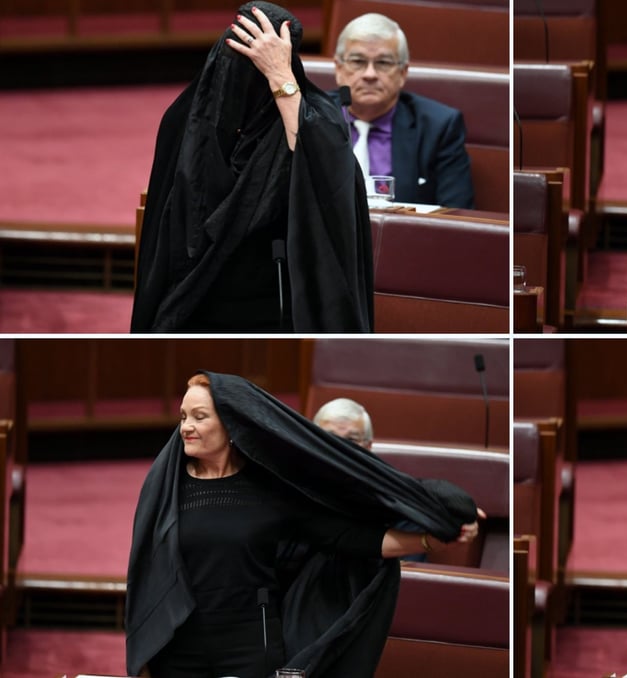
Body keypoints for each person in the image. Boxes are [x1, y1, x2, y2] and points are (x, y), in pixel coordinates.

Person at [126, 372, 483, 677]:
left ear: (232, 423)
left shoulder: (272, 488)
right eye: (183, 416)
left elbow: (352, 538)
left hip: (249, 649)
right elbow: (147, 573)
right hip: (178, 649)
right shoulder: (166, 488)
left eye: (199, 416)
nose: (186, 427)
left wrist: (428, 538)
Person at [132, 2, 374, 333]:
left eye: (261, 67)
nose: (246, 83)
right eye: (239, 62)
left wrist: (279, 76)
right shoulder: (186, 118)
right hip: (192, 305)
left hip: (276, 311)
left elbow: (320, 174)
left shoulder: (317, 120)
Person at [331, 12, 475, 209]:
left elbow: (457, 213)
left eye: (383, 63)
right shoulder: (309, 117)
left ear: (403, 73)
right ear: (338, 69)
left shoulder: (439, 127)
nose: (370, 74)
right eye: (357, 61)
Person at [313, 397, 427, 562]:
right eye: (330, 437)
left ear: (368, 447)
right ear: (313, 442)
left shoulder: (396, 500)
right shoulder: (295, 489)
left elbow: (408, 569)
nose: (340, 448)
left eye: (351, 440)